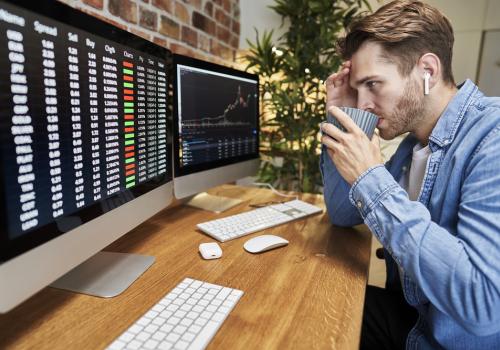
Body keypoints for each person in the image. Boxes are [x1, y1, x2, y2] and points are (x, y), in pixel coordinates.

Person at [320, 1, 500, 349]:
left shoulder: (492, 135)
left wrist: (371, 177)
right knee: (315, 309)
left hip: (447, 341)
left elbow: (484, 304)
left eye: (373, 84)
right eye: (358, 89)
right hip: (412, 318)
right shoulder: (411, 146)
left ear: (428, 71)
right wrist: (340, 115)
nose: (365, 103)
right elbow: (343, 215)